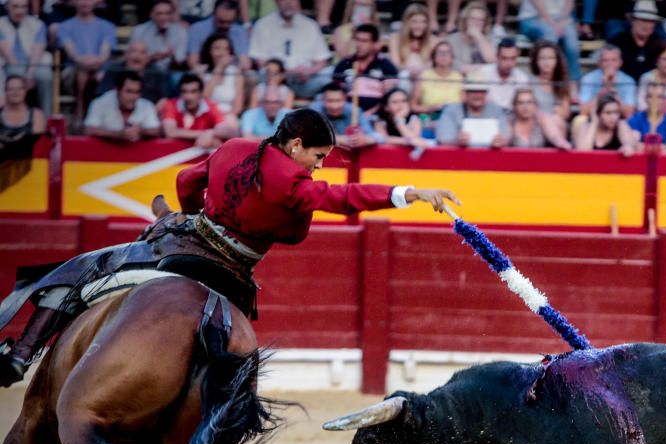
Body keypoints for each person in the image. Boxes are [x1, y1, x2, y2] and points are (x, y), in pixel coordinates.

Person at [0, 108, 460, 387]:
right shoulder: (295, 183)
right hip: (234, 267)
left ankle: (21, 353)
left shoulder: (235, 145)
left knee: (87, 267)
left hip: (189, 235)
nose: (320, 167)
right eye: (318, 157)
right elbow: (342, 199)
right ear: (296, 145)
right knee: (237, 355)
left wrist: (189, 213)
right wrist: (409, 192)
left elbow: (185, 179)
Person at [249, 0, 333, 99]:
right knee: (253, 77)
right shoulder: (263, 25)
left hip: (303, 81)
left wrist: (309, 71)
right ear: (277, 2)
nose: (288, 3)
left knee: (327, 80)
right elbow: (260, 61)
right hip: (273, 80)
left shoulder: (310, 25)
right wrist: (285, 73)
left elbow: (322, 61)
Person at [56, 0, 116, 122]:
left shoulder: (107, 26)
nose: (85, 2)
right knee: (82, 69)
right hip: (72, 72)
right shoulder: (64, 26)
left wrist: (94, 61)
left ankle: (93, 111)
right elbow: (72, 54)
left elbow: (104, 54)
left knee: (101, 75)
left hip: (99, 69)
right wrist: (83, 61)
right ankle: (80, 105)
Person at [0, 0, 54, 114]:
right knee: (15, 73)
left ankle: (46, 117)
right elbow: (8, 54)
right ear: (7, 7)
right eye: (15, 7)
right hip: (10, 63)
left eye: (23, 7)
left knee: (46, 76)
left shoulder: (37, 24)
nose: (19, 11)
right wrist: (23, 79)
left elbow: (37, 51)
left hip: (34, 64)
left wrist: (30, 74)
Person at [332, 23, 399, 115]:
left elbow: (389, 97)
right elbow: (334, 92)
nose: (359, 45)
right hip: (346, 115)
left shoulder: (386, 66)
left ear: (374, 43)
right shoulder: (344, 64)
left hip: (376, 117)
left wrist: (366, 115)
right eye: (357, 40)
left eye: (364, 41)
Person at [161, 73, 238, 148]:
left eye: (193, 91)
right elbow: (170, 132)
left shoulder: (210, 106)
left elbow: (230, 132)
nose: (188, 97)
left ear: (201, 93)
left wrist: (211, 132)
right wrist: (205, 134)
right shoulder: (171, 104)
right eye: (184, 92)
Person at [435, 72, 510, 147]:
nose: (477, 95)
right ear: (465, 93)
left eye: (481, 91)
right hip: (459, 156)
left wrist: (500, 141)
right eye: (472, 91)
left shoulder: (496, 110)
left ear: (486, 93)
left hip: (491, 156)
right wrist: (457, 142)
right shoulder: (451, 110)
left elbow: (505, 138)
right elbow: (443, 140)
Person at [83, 70, 161, 142]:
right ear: (117, 90)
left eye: (137, 92)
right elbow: (89, 129)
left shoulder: (147, 105)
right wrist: (118, 134)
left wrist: (141, 130)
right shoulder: (100, 103)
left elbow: (156, 130)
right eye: (129, 91)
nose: (133, 97)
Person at [518, 0, 581, 84]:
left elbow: (570, 2)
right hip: (532, 18)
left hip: (562, 19)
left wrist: (561, 22)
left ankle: (573, 84)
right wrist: (553, 25)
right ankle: (546, 81)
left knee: (572, 45)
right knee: (551, 37)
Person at [607, 1, 666, 82]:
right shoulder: (617, 41)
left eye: (650, 21)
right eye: (642, 20)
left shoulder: (659, 43)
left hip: (651, 89)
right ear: (633, 20)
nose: (646, 25)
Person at [186, 0, 251, 72]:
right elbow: (192, 62)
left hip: (231, 73)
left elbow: (245, 63)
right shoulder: (197, 29)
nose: (225, 26)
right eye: (221, 21)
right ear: (214, 14)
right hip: (205, 72)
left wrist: (234, 70)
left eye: (229, 22)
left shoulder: (239, 31)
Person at [310, 81, 379, 149]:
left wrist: (367, 140)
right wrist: (338, 139)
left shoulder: (354, 111)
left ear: (345, 99)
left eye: (338, 100)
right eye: (329, 101)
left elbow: (374, 135)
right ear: (322, 100)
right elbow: (309, 135)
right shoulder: (314, 110)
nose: (334, 106)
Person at [579, 44, 637, 119]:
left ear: (620, 63)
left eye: (614, 60)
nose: (610, 64)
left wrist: (614, 92)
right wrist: (604, 88)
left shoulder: (628, 81)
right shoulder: (588, 79)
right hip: (595, 119)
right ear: (599, 63)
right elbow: (584, 111)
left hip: (619, 119)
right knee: (580, 120)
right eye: (605, 60)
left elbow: (629, 114)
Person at [130, 0, 188, 73]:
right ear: (151, 14)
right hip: (146, 71)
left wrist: (171, 56)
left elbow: (179, 62)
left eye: (167, 13)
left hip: (170, 72)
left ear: (172, 15)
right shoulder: (139, 31)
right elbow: (133, 60)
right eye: (159, 14)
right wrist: (152, 58)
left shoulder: (180, 32)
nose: (163, 17)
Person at [572, 93, 639, 156]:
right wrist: (594, 123)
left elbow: (628, 143)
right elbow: (582, 153)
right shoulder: (586, 125)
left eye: (616, 112)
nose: (614, 117)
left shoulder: (621, 124)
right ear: (598, 114)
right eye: (608, 113)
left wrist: (628, 146)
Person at [411, 40, 464, 117]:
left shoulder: (459, 78)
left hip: (453, 119)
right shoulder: (424, 77)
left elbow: (465, 107)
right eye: (440, 53)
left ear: (452, 58)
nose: (443, 55)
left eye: (447, 53)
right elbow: (413, 106)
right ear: (434, 57)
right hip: (430, 119)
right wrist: (429, 109)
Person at [197, 34, 245, 118]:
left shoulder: (236, 73)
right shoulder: (201, 72)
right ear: (209, 51)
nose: (223, 53)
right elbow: (202, 98)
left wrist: (223, 118)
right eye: (217, 48)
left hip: (228, 116)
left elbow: (238, 107)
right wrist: (219, 68)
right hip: (205, 116)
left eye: (226, 49)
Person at [628, 81, 666, 152]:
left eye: (659, 97)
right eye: (651, 96)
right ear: (646, 98)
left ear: (664, 100)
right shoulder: (635, 119)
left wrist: (643, 146)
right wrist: (664, 147)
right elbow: (633, 146)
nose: (655, 101)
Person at [446, 1, 497, 74]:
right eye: (473, 19)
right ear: (465, 20)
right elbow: (452, 66)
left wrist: (479, 37)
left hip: (484, 81)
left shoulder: (490, 39)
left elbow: (493, 61)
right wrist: (482, 68)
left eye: (481, 20)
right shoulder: (452, 40)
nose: (476, 23)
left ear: (485, 23)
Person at [528, 40, 570, 123]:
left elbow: (566, 113)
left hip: (557, 123)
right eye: (542, 58)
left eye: (551, 58)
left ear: (557, 60)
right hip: (536, 123)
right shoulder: (530, 82)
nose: (546, 62)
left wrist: (559, 113)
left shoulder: (561, 83)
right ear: (536, 61)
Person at [389, 3, 436, 77]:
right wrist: (411, 69)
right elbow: (395, 65)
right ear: (407, 22)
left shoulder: (433, 40)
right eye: (414, 21)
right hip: (403, 76)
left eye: (423, 22)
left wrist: (419, 69)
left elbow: (434, 64)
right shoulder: (396, 39)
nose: (419, 26)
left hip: (425, 78)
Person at [483, 37, 529, 112]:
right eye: (504, 58)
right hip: (488, 116)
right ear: (497, 57)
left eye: (512, 58)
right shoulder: (484, 73)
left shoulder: (522, 78)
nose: (509, 63)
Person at [0, 74, 45, 150]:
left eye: (19, 88)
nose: (16, 92)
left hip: (28, 159)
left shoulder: (36, 115)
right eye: (11, 89)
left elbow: (37, 144)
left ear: (25, 91)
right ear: (5, 91)